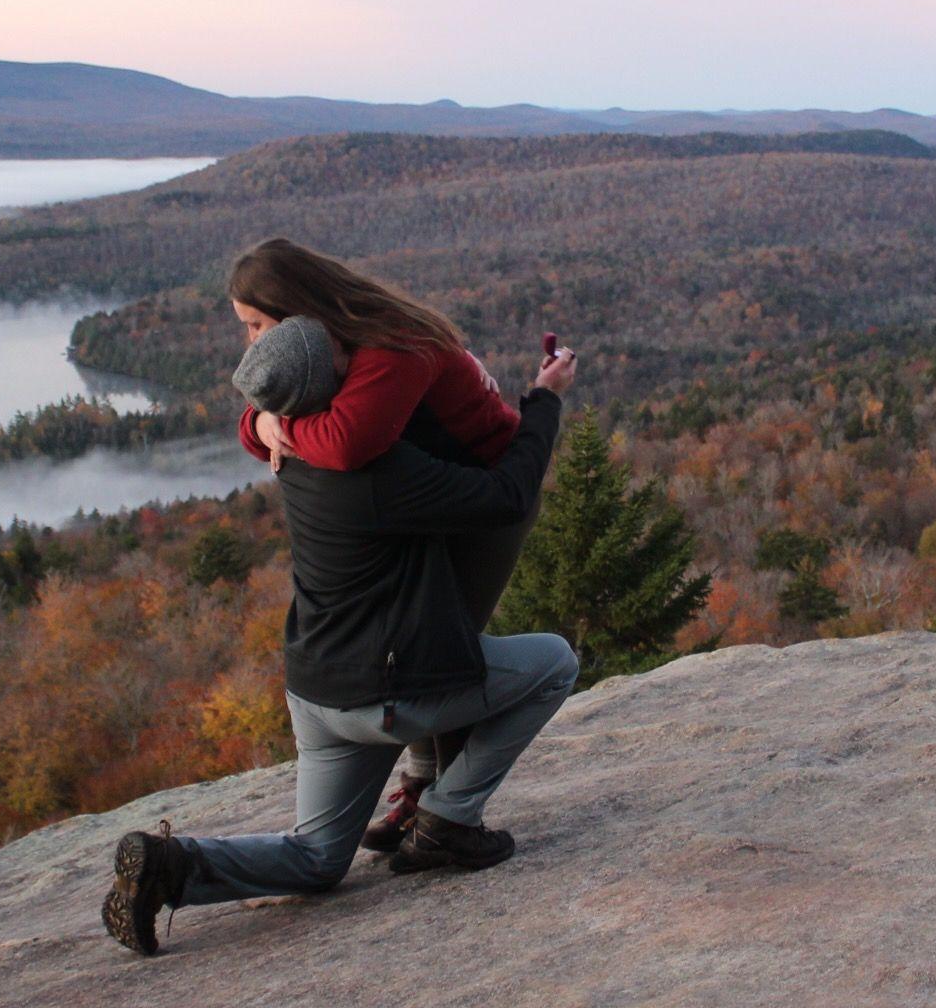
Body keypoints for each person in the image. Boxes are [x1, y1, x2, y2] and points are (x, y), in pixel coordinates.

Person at [104, 315, 580, 957]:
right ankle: (448, 818)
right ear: (331, 385)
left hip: (317, 691)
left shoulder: (290, 457)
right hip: (386, 696)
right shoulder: (379, 474)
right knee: (554, 662)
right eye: (342, 356)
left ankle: (171, 867)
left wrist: (261, 421)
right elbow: (510, 494)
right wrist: (545, 398)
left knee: (318, 859)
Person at [225, 237, 535, 853]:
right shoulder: (340, 345)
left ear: (296, 310)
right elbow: (270, 405)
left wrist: (274, 425)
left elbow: (344, 446)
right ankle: (424, 789)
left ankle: (443, 812)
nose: (253, 343)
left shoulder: (392, 346)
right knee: (416, 636)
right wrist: (264, 420)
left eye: (257, 325)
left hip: (485, 500)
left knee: (444, 651)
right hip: (429, 496)